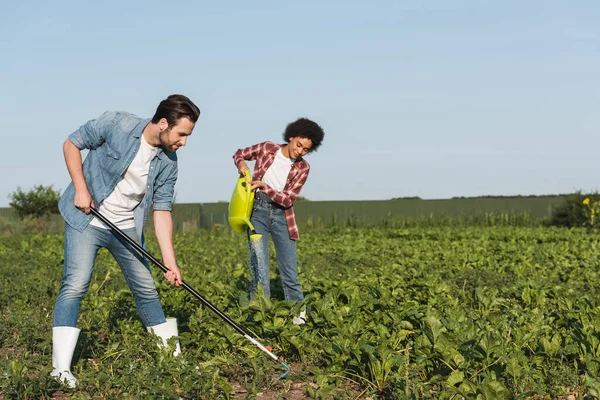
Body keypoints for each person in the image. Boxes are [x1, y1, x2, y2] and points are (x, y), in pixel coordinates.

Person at [51, 94, 200, 387]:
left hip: (126, 228)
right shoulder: (117, 124)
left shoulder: (169, 162)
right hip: (87, 218)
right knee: (76, 283)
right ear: (162, 123)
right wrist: (81, 189)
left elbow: (161, 210)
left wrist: (170, 263)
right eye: (182, 134)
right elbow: (71, 143)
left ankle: (172, 362)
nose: (184, 142)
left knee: (146, 288)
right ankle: (61, 370)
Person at [233, 118, 324, 325]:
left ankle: (299, 322)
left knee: (289, 272)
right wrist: (241, 164)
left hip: (283, 217)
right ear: (290, 137)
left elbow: (288, 198)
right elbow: (240, 153)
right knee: (260, 270)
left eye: (306, 149)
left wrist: (265, 186)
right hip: (257, 213)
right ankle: (260, 319)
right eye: (298, 145)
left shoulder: (303, 168)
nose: (300, 151)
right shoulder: (267, 148)